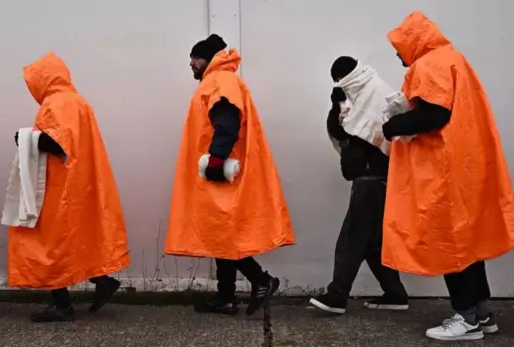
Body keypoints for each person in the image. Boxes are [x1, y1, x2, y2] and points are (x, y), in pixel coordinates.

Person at [380, 11, 514, 341]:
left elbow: (436, 114)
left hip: (442, 170)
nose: (398, 55)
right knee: (467, 245)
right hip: (465, 165)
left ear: (413, 42)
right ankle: (482, 312)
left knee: (449, 244)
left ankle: (466, 317)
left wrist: (392, 125)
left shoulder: (428, 64)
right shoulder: (453, 59)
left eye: (399, 48)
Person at [164, 34, 295, 316]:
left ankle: (261, 280)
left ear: (208, 58)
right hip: (221, 169)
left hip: (220, 171)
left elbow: (227, 121)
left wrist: (216, 158)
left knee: (222, 233)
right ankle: (225, 297)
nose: (190, 63)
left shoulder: (220, 81)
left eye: (195, 58)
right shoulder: (222, 80)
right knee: (219, 232)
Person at [8, 52, 130, 322]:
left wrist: (25, 138)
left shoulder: (56, 103)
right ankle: (102, 281)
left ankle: (62, 305)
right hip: (82, 181)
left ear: (43, 79)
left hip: (60, 185)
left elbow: (57, 144)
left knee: (50, 243)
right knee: (77, 237)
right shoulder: (78, 102)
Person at [309, 56, 408, 315]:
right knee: (372, 241)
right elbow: (341, 131)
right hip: (371, 177)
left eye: (338, 79)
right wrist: (336, 107)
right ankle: (395, 294)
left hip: (373, 176)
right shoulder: (352, 97)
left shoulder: (377, 94)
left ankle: (337, 295)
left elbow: (373, 134)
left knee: (353, 236)